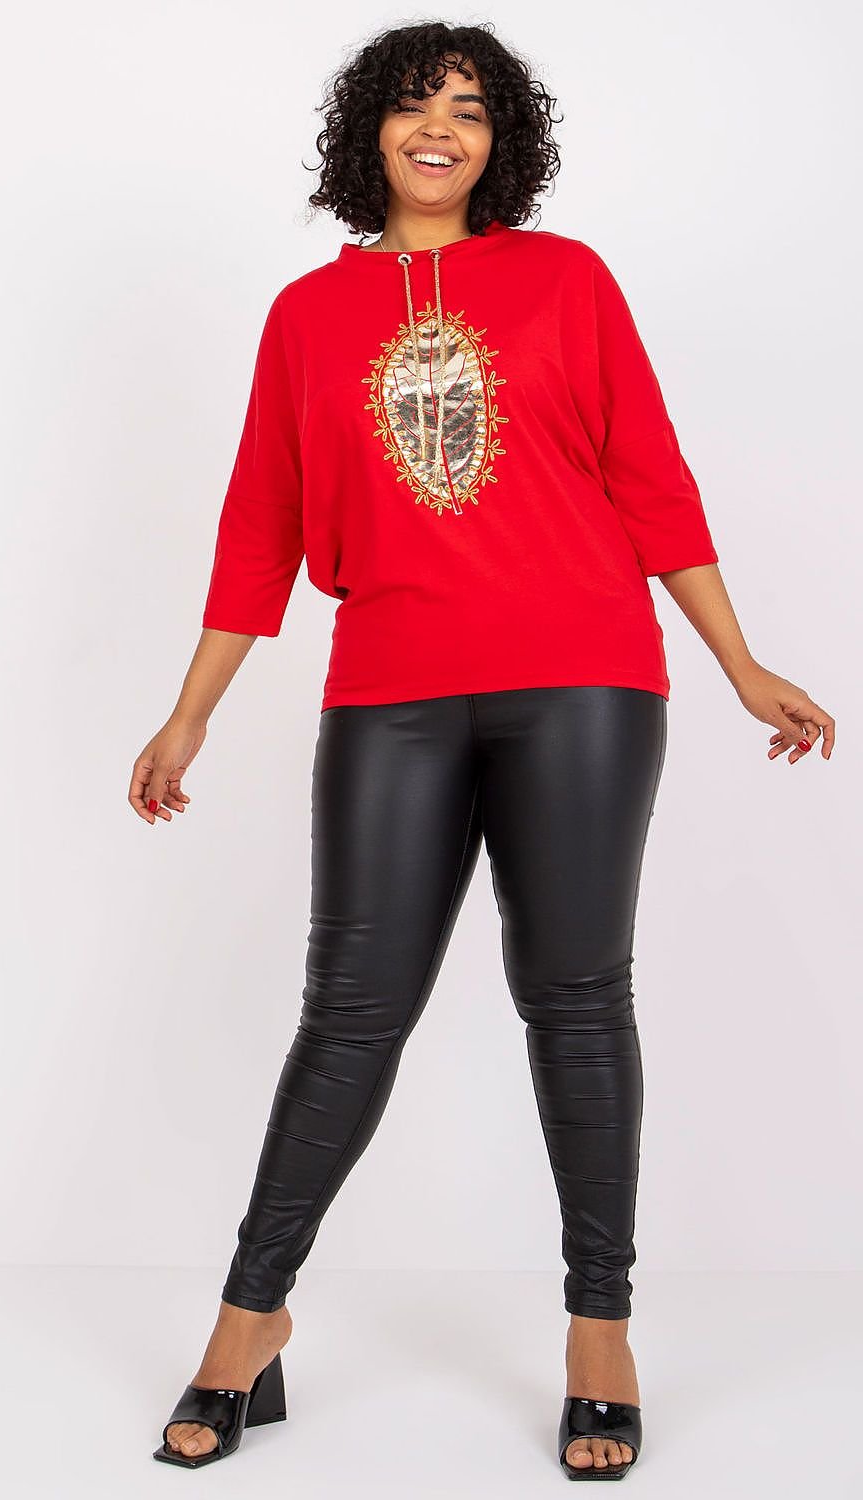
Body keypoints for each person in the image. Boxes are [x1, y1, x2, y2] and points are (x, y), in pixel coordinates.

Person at [132, 22, 836, 1479]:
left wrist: (741, 661)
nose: (440, 129)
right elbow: (261, 520)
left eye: (469, 108)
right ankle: (250, 1319)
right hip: (389, 690)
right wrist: (192, 707)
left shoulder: (566, 281)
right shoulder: (307, 315)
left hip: (584, 681)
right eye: (413, 106)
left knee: (574, 1001)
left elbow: (651, 479)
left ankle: (599, 1330)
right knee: (350, 1014)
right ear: (370, 134)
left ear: (502, 138)